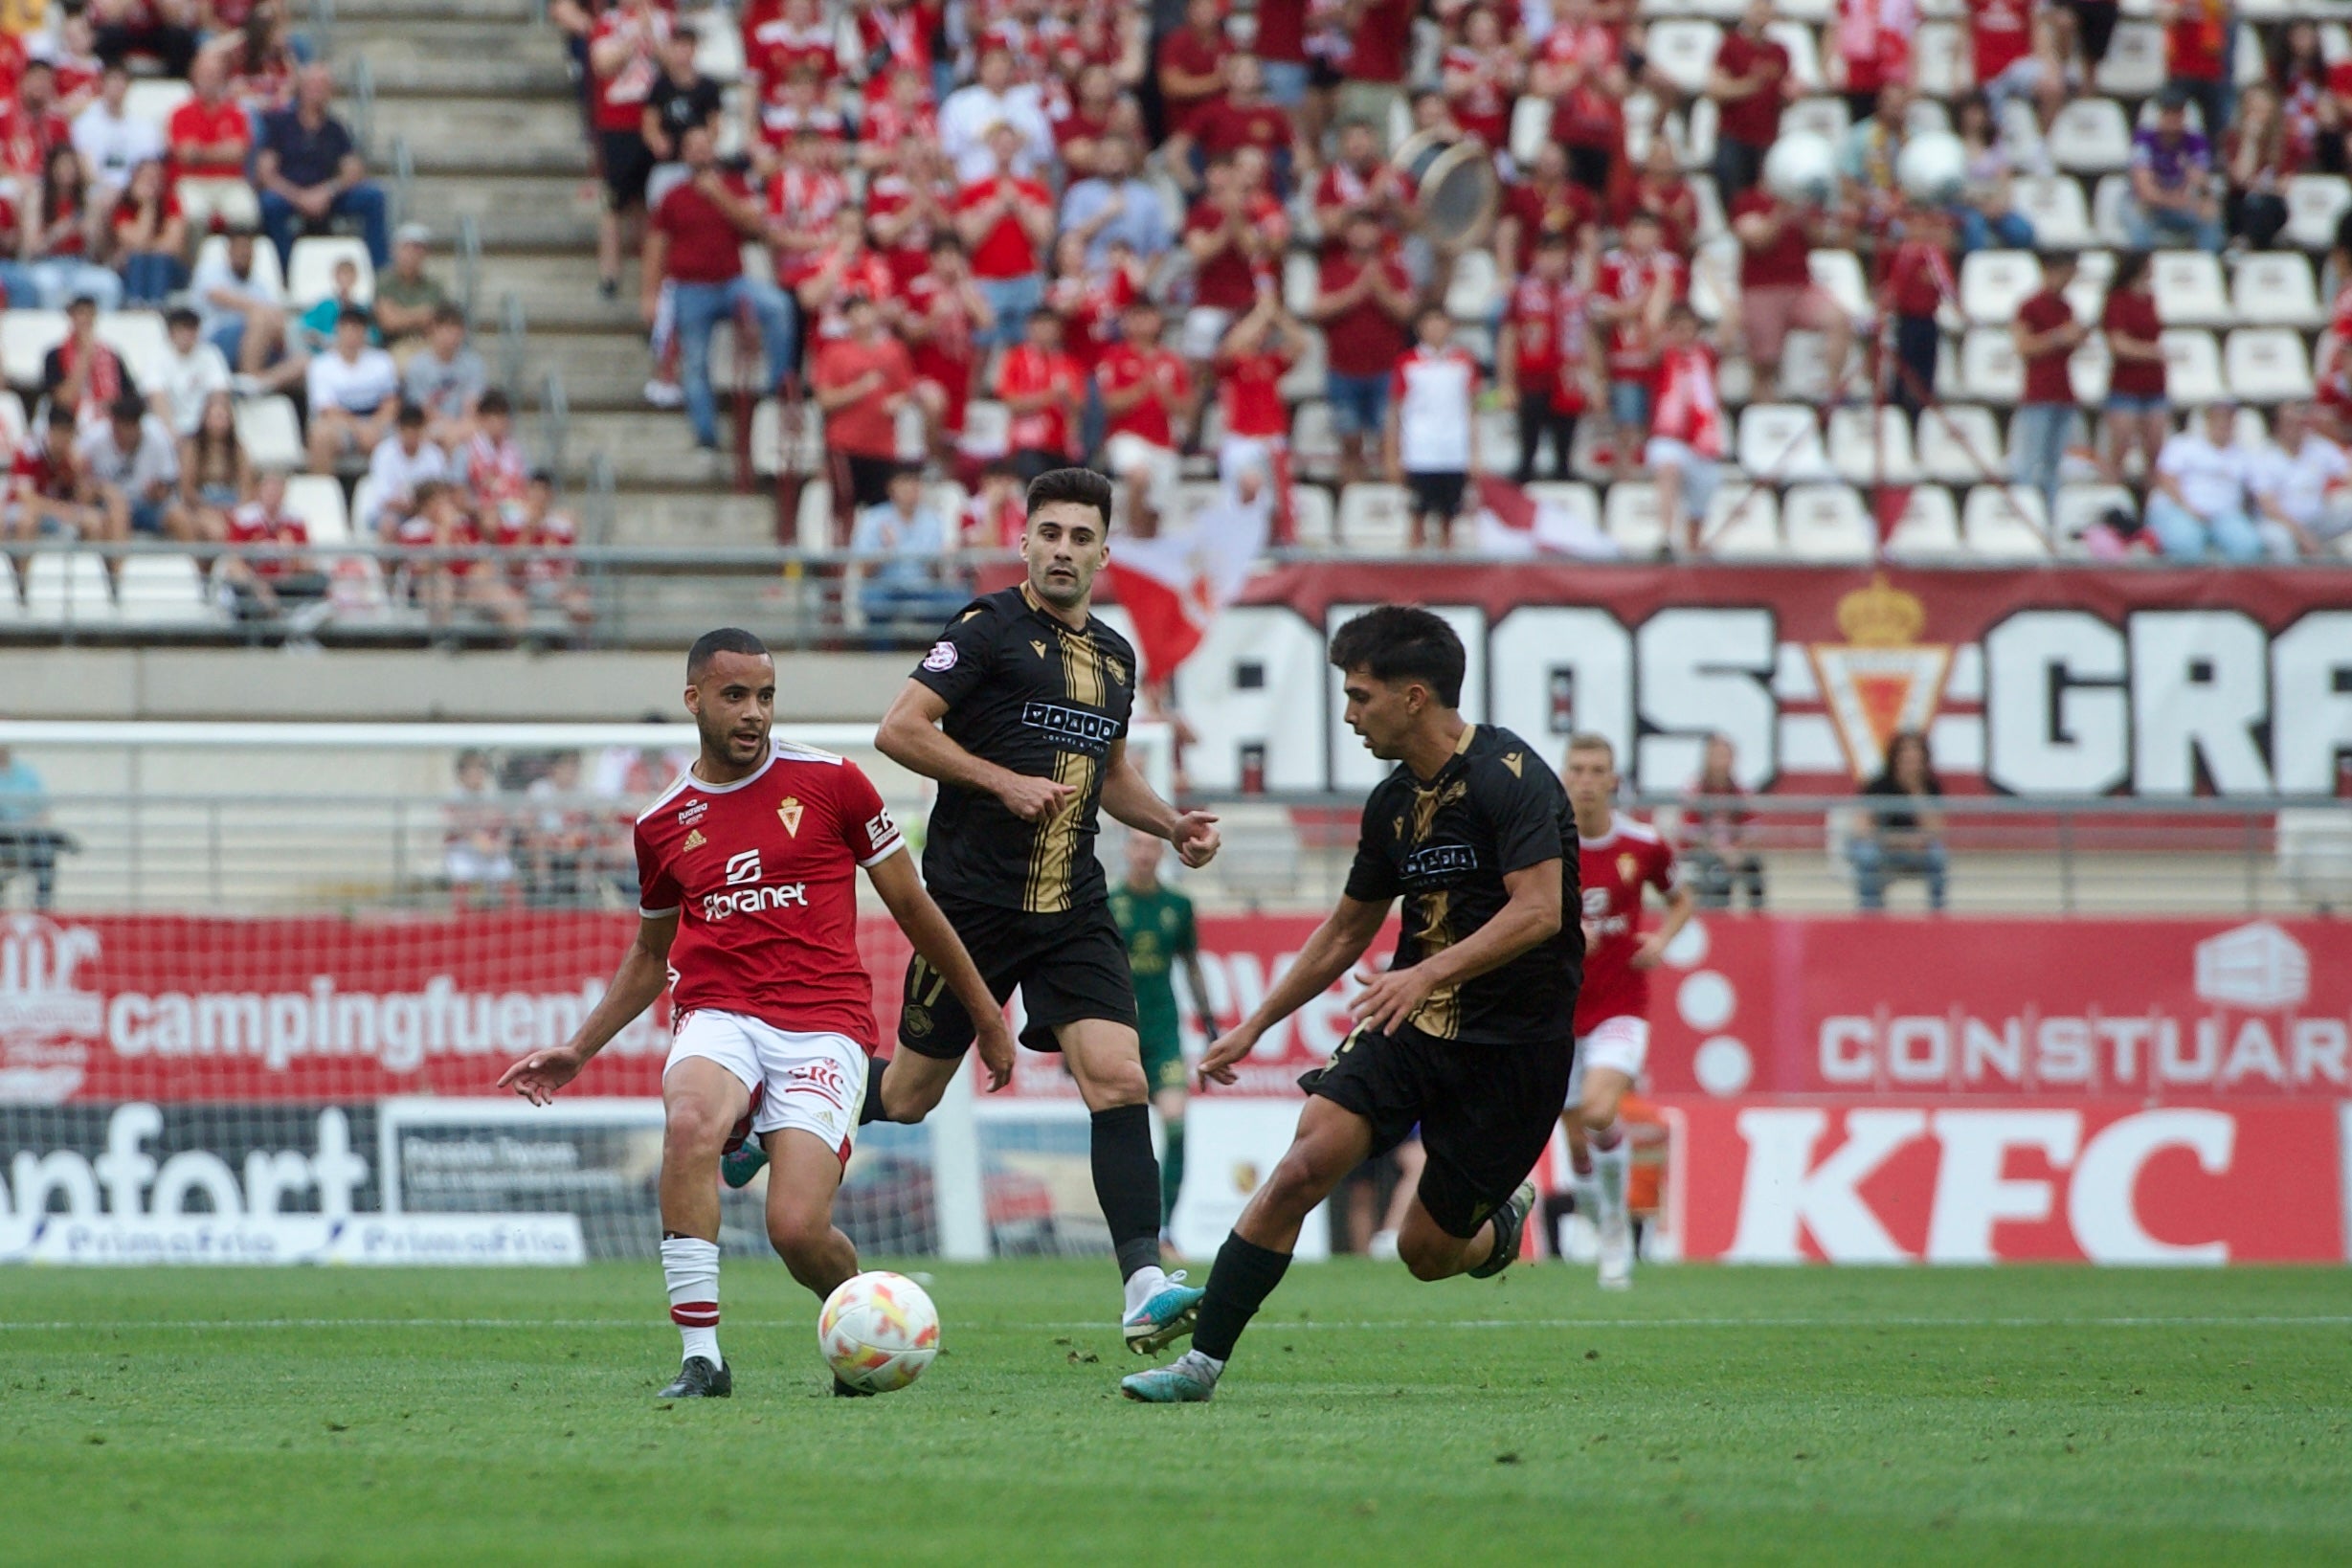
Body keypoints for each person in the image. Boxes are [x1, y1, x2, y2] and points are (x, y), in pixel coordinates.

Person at [501, 630, 1009, 1400]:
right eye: (735, 696)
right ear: (694, 700)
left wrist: (987, 1016)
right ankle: (701, 1356)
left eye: (765, 697)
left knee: (797, 1232)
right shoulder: (662, 823)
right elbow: (649, 955)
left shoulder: (833, 782)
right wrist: (578, 1050)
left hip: (824, 1023)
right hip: (717, 1012)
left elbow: (913, 906)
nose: (753, 714)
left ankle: (866, 1323)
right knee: (689, 1123)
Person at [1123, 607, 1579, 1403]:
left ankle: (1494, 1228)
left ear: (1412, 697)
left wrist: (1428, 973)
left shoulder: (1513, 778)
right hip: (1409, 1026)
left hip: (1514, 1049)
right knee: (1304, 1163)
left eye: (1359, 695)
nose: (1347, 712)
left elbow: (1539, 911)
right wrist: (1253, 1025)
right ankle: (1199, 1366)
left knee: (1427, 1252)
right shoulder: (1391, 803)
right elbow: (1345, 932)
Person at [847, 467, 1220, 1355]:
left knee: (1120, 1078)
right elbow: (898, 730)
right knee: (905, 1095)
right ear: (1024, 542)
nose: (1063, 550)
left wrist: (1170, 826)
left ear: (1102, 551)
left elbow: (1112, 774)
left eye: (1080, 537)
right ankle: (777, 1102)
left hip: (1072, 906)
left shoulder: (1117, 659)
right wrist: (1000, 780)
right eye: (1048, 533)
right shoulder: (984, 630)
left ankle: (1141, 1283)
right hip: (970, 908)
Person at [1557, 732, 1691, 1290]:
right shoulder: (1543, 845)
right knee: (1573, 1135)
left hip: (1620, 1005)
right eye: (1577, 769)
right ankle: (1598, 1214)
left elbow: (1680, 898)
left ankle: (1615, 1232)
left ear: (1613, 780)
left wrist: (1661, 941)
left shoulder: (1644, 845)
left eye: (1597, 770)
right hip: (1557, 1010)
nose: (1586, 780)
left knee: (1596, 1108)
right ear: (1564, 777)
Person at [643, 123, 795, 453]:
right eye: (693, 147)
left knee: (779, 306)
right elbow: (656, 246)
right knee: (695, 363)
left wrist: (719, 195)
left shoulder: (735, 186)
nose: (700, 152)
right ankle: (706, 434)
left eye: (704, 145)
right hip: (690, 288)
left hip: (730, 283)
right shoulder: (673, 197)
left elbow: (755, 227)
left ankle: (775, 387)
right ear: (684, 154)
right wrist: (649, 294)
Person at [1109, 830, 1214, 1254]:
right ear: (1127, 850)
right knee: (1124, 1136)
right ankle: (1132, 1236)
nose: (1144, 853)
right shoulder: (1109, 905)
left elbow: (1191, 965)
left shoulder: (1178, 906)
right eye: (1137, 845)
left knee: (1175, 1126)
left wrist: (1209, 1024)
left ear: (1161, 853)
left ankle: (1166, 1229)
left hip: (1164, 1032)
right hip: (1119, 1034)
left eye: (1152, 846)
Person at [1313, 209, 1417, 488]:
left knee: (1389, 442)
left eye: (1369, 227)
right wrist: (1357, 290)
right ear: (1347, 233)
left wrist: (1380, 288)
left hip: (1385, 370)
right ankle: (1351, 503)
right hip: (1343, 370)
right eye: (1357, 228)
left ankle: (1392, 502)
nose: (1363, 234)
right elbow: (1318, 309)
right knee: (1349, 442)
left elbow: (1407, 313)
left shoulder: (1395, 269)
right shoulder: (1333, 268)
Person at [255, 63, 390, 268]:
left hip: (328, 196)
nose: (317, 91)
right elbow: (265, 172)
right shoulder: (280, 124)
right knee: (270, 203)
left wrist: (328, 191)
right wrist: (300, 197)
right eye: (312, 85)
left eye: (323, 86)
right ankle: (283, 271)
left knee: (373, 197)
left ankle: (379, 272)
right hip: (290, 194)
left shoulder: (335, 128)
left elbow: (353, 169)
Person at [1731, 178, 1853, 403]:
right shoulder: (1749, 201)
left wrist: (1807, 216)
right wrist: (1780, 213)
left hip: (1801, 287)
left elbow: (1821, 240)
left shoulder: (1803, 199)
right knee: (1765, 364)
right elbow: (1757, 241)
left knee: (1838, 319)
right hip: (1762, 290)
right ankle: (1764, 416)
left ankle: (1832, 388)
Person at [812, 291, 924, 512]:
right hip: (844, 445)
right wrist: (859, 389)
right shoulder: (834, 353)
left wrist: (897, 402)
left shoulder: (894, 350)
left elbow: (908, 390)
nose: (862, 317)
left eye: (865, 310)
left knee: (880, 512)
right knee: (842, 509)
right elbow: (824, 400)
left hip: (882, 447)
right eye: (854, 313)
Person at [1593, 211, 1682, 482]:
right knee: (1627, 428)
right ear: (1627, 233)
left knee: (1657, 430)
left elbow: (1677, 314)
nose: (1644, 237)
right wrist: (1636, 307)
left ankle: (1652, 487)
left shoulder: (1670, 266)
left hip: (1661, 361)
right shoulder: (1612, 264)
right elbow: (1599, 310)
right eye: (1638, 230)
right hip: (1624, 360)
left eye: (1650, 230)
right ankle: (1625, 484)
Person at [954, 121, 1057, 353]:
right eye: (999, 143)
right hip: (986, 278)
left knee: (1028, 347)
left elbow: (1044, 237)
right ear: (990, 146)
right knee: (982, 346)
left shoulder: (1035, 189)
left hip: (1026, 277)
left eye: (1010, 144)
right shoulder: (972, 191)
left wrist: (1019, 207)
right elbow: (967, 239)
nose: (1005, 149)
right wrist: (997, 208)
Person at [589, 0, 668, 298]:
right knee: (615, 200)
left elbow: (675, 64)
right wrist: (634, 37)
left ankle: (649, 277)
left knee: (649, 202)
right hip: (618, 121)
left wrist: (653, 36)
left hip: (655, 120)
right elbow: (602, 65)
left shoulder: (663, 20)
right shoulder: (607, 24)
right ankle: (610, 273)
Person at [1386, 305, 1480, 549]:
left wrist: (1474, 452)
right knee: (1418, 513)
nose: (1436, 329)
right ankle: (1413, 569)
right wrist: (1393, 454)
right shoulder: (1407, 363)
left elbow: (1470, 409)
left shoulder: (1464, 362)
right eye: (1430, 324)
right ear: (1420, 328)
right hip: (1420, 450)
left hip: (1454, 450)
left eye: (1441, 323)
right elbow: (1395, 411)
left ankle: (1447, 571)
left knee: (1450, 516)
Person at [1095, 298, 1190, 536]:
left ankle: (1143, 549)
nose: (1142, 323)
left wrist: (1165, 395)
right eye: (1136, 317)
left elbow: (1185, 409)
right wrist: (1141, 389)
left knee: (1155, 513)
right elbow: (1107, 403)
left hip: (1163, 441)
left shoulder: (1171, 361)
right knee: (1139, 476)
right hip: (1127, 436)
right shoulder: (1115, 357)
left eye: (1147, 316)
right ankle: (1130, 538)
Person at [2010, 251, 2084, 532]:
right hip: (2038, 394)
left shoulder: (2066, 307)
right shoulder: (2029, 306)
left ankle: (2048, 523)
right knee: (2029, 464)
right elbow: (2023, 347)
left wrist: (2074, 339)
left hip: (2062, 392)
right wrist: (2058, 338)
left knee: (2054, 466)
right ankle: (2023, 524)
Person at [1648, 304, 1728, 555]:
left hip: (1702, 439)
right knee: (1668, 468)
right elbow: (1650, 330)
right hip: (1669, 436)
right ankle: (1666, 535)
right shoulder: (1664, 357)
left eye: (1688, 327)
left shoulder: (1706, 356)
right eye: (1678, 328)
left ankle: (1692, 545)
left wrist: (1718, 290)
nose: (1683, 333)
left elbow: (1731, 323)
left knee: (1700, 502)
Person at [849, 464, 965, 627]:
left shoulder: (933, 519)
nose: (911, 488)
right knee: (874, 601)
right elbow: (863, 570)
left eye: (915, 482)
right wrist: (884, 550)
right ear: (891, 487)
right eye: (904, 482)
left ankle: (942, 651)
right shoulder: (873, 518)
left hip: (922, 588)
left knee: (958, 600)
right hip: (886, 587)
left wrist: (944, 557)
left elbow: (936, 573)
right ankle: (880, 652)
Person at [190, 227, 302, 392]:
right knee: (259, 316)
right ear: (229, 252)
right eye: (239, 250)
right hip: (216, 342)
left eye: (247, 251)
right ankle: (249, 376)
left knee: (304, 362)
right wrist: (263, 311)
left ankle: (259, 383)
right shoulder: (210, 272)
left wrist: (273, 321)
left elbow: (278, 323)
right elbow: (220, 296)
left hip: (260, 344)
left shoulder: (259, 286)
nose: (244, 255)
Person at [2147, 400, 2263, 561]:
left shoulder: (2243, 456)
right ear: (2208, 420)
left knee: (2248, 546)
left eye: (2228, 419)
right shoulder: (2183, 445)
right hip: (2182, 510)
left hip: (2225, 515)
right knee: (2185, 545)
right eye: (2218, 418)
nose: (2223, 424)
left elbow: (2256, 490)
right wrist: (2189, 507)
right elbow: (2166, 479)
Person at [1852, 729, 1947, 910]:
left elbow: (1937, 830)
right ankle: (1870, 917)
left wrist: (1916, 792)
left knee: (1937, 855)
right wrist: (1897, 841)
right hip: (1884, 849)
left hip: (1916, 852)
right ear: (1894, 757)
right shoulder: (1877, 786)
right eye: (1905, 755)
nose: (1911, 761)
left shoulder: (1931, 787)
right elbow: (1862, 829)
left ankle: (1938, 916)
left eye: (1916, 756)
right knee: (1866, 855)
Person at [1709, 0, 1792, 205]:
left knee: (1762, 199)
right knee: (1733, 194)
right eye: (1758, 8)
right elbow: (1716, 89)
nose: (1762, 14)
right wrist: (1752, 85)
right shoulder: (1731, 45)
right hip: (1735, 136)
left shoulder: (1780, 52)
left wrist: (1790, 96)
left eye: (1767, 8)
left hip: (1766, 138)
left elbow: (1784, 93)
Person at [166, 52, 258, 235]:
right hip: (191, 181)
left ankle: (237, 262)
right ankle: (190, 263)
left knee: (247, 214)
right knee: (193, 216)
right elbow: (186, 154)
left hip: (231, 182)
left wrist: (202, 152)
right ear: (195, 77)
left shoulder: (236, 114)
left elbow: (238, 153)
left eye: (215, 75)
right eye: (205, 75)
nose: (210, 81)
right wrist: (221, 151)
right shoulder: (181, 113)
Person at [78, 392, 188, 542]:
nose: (123, 433)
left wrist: (158, 491)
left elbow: (170, 480)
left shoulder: (158, 437)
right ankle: (117, 564)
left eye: (128, 426)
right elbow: (78, 476)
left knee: (180, 517)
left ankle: (194, 564)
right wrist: (100, 489)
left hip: (146, 504)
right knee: (118, 510)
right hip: (107, 504)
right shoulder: (94, 438)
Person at [2100, 252, 2168, 488]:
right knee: (2120, 449)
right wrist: (2152, 353)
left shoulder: (2150, 299)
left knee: (2155, 452)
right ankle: (2111, 500)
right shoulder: (2118, 300)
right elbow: (2118, 344)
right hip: (2126, 385)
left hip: (2154, 384)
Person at [2125, 87, 2223, 252]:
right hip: (2147, 204)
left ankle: (2206, 267)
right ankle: (2143, 269)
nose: (2173, 119)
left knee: (2210, 218)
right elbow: (2146, 191)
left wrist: (2203, 199)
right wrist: (2177, 201)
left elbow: (2200, 181)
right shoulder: (2143, 141)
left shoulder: (2195, 143)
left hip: (2179, 204)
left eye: (2177, 113)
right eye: (2168, 113)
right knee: (2137, 218)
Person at [306, 306, 401, 474]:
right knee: (320, 435)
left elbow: (391, 403)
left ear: (365, 332)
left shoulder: (382, 361)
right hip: (342, 427)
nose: (352, 335)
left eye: (357, 329)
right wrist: (360, 429)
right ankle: (323, 494)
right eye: (347, 328)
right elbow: (327, 410)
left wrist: (375, 427)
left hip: (378, 425)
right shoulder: (321, 365)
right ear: (338, 330)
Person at [2250, 402, 2352, 558]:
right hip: (2281, 523)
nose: (2298, 428)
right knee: (2280, 540)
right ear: (2277, 427)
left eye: (2301, 422)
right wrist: (2302, 535)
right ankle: (2286, 582)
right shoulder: (2263, 457)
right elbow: (2269, 507)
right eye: (2291, 423)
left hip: (2317, 518)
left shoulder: (2319, 447)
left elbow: (2347, 474)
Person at [1676, 733, 1765, 910]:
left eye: (1726, 756)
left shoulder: (1740, 791)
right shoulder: (1695, 789)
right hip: (1702, 852)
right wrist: (1721, 851)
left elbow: (1753, 828)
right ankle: (1719, 917)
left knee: (1753, 864)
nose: (1722, 762)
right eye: (1717, 756)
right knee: (1715, 867)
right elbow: (1689, 831)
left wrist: (1736, 849)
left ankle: (1757, 916)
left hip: (1734, 851)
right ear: (1707, 759)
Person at [403, 304, 487, 448]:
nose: (450, 336)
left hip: (463, 423)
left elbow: (471, 405)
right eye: (445, 329)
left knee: (481, 432)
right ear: (433, 330)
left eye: (455, 330)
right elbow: (424, 409)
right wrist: (449, 429)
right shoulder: (418, 365)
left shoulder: (474, 364)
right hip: (429, 424)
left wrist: (456, 428)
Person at [363, 402, 450, 539]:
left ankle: (438, 560)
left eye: (415, 428)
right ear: (399, 429)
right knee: (388, 524)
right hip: (391, 513)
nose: (411, 433)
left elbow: (438, 492)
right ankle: (389, 560)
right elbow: (384, 498)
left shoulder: (434, 454)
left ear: (423, 429)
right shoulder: (384, 452)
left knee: (447, 518)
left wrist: (423, 508)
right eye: (407, 428)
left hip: (425, 512)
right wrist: (413, 506)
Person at [109, 157, 185, 306]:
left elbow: (172, 245)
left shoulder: (171, 202)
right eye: (146, 178)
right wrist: (147, 206)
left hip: (168, 267)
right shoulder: (123, 208)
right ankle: (135, 304)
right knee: (138, 259)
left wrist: (146, 247)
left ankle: (156, 305)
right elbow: (136, 241)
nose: (151, 184)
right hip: (132, 267)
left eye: (155, 178)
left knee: (157, 259)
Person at [179, 390, 248, 549]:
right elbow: (187, 489)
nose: (220, 423)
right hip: (202, 506)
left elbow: (246, 486)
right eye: (215, 417)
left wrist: (237, 508)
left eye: (223, 418)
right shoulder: (193, 448)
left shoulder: (238, 450)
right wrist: (209, 508)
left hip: (231, 503)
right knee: (217, 532)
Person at [151, 307, 232, 440]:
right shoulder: (157, 357)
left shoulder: (210, 354)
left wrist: (212, 426)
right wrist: (170, 430)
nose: (188, 335)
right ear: (171, 332)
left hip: (204, 427)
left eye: (192, 329)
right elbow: (156, 395)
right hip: (171, 426)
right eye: (183, 329)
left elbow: (219, 391)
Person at [373, 223, 452, 356]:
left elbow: (436, 323)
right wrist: (421, 314)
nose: (411, 254)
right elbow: (389, 322)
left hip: (427, 345)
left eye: (417, 249)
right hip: (392, 346)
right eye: (406, 248)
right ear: (395, 251)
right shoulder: (384, 282)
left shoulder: (434, 287)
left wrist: (402, 314)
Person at [0, 740, 58, 909]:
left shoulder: (27, 774)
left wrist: (24, 825)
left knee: (45, 851)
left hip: (26, 835)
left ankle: (42, 909)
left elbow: (43, 814)